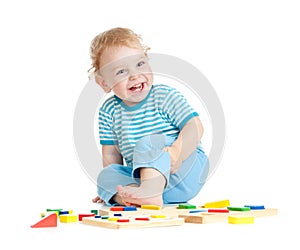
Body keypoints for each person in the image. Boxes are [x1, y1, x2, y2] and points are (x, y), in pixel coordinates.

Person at [89, 27, 209, 207]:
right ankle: (132, 197)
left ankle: (147, 193)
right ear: (105, 83)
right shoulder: (108, 111)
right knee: (105, 176)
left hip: (184, 170)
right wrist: (112, 187)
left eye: (139, 64)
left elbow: (195, 126)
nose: (135, 75)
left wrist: (178, 152)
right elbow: (111, 154)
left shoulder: (164, 96)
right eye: (121, 71)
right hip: (144, 180)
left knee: (148, 143)